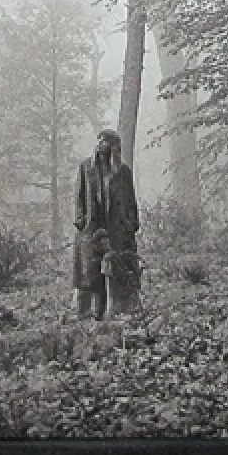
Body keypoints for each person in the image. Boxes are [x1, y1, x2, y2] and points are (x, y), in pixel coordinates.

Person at [72, 128, 140, 319]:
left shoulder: (123, 171)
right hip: (91, 227)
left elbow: (130, 199)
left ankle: (119, 310)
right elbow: (79, 196)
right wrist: (81, 219)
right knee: (89, 273)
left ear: (114, 146)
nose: (101, 144)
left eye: (105, 141)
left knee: (118, 268)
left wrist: (132, 222)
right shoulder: (86, 168)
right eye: (99, 140)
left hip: (117, 228)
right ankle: (88, 313)